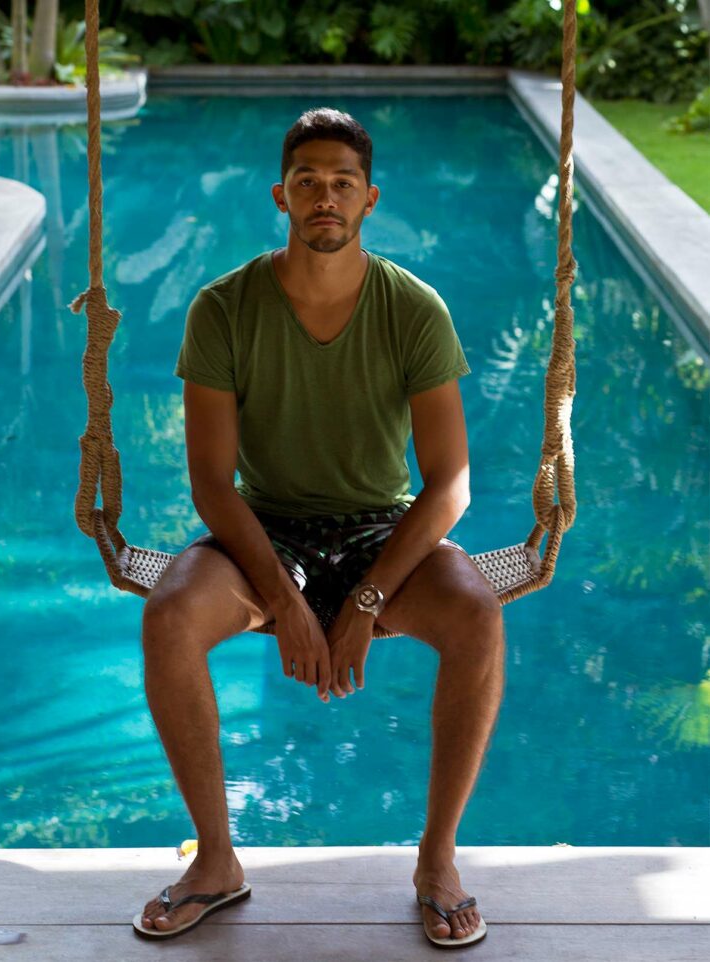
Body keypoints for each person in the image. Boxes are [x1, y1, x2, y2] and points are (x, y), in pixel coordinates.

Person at [133, 107, 504, 948]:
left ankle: (438, 860)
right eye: (308, 182)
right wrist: (282, 597)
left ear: (369, 199)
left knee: (480, 615)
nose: (324, 197)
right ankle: (217, 860)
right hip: (265, 529)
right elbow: (211, 484)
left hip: (384, 532)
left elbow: (450, 486)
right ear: (281, 195)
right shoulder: (224, 308)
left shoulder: (413, 308)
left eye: (342, 183)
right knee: (167, 614)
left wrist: (368, 598)